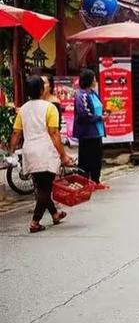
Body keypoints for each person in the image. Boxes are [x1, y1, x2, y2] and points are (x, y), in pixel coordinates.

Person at [9, 76, 74, 233]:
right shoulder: (49, 107)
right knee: (46, 188)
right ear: (41, 90)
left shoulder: (23, 109)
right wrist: (63, 155)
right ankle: (35, 222)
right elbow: (54, 133)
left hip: (29, 150)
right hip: (45, 150)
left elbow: (16, 133)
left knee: (42, 185)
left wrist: (11, 151)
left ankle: (55, 214)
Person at [73, 69, 109, 190]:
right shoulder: (81, 95)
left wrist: (105, 114)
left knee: (96, 157)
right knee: (85, 158)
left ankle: (95, 180)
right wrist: (99, 118)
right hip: (87, 133)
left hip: (97, 131)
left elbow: (99, 107)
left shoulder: (93, 93)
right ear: (89, 80)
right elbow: (84, 113)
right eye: (94, 79)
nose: (96, 81)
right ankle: (84, 182)